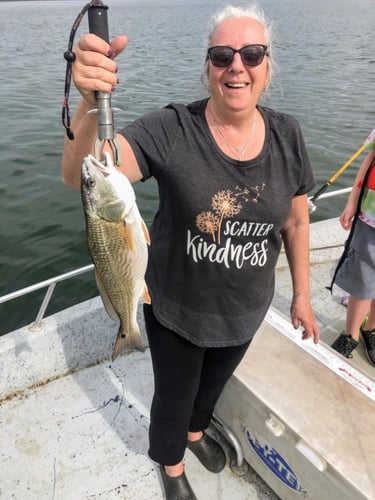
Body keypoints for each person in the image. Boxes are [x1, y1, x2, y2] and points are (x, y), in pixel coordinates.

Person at [61, 4, 320, 499]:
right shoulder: (173, 129)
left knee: (210, 390)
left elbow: (297, 218)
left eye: (252, 53)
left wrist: (302, 295)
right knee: (173, 401)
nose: (236, 66)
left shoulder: (289, 135)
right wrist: (90, 104)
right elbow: (84, 175)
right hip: (176, 310)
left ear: (268, 65)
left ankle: (197, 433)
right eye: (222, 55)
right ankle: (171, 464)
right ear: (207, 67)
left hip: (245, 310)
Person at [330, 148, 375, 365]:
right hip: (370, 219)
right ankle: (351, 335)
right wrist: (352, 201)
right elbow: (370, 159)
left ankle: (371, 329)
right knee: (362, 281)